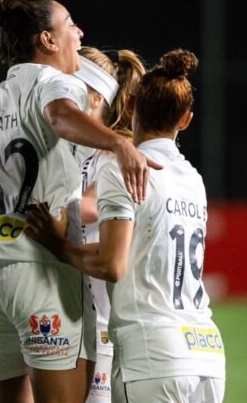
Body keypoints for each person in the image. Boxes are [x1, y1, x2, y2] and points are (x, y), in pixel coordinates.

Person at [0, 0, 158, 403]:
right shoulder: (57, 84)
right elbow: (59, 118)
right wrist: (119, 144)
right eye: (71, 24)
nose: (80, 33)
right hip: (42, 273)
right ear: (48, 39)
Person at [25, 49, 226, 403]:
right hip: (206, 351)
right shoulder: (193, 179)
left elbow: (111, 265)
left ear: (130, 104)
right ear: (186, 120)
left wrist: (55, 243)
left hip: (152, 354)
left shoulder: (121, 168)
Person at [73, 46, 146, 403]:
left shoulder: (115, 155)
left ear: (94, 97)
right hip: (72, 322)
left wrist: (26, 209)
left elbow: (87, 206)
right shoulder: (79, 151)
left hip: (103, 328)